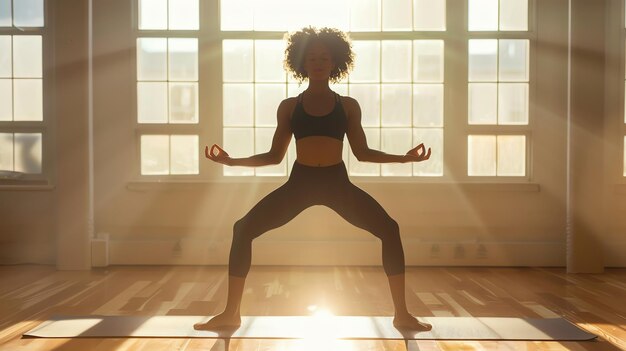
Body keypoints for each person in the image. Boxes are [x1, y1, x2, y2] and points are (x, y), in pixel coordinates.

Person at [194, 27, 432, 331]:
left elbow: (362, 152)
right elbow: (274, 156)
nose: (318, 62)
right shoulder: (289, 107)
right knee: (243, 229)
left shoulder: (348, 106)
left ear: (335, 63)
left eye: (324, 57)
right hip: (301, 183)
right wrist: (230, 161)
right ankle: (231, 314)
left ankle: (402, 314)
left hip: (336, 183)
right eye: (312, 58)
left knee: (390, 229)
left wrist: (405, 158)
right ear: (302, 63)